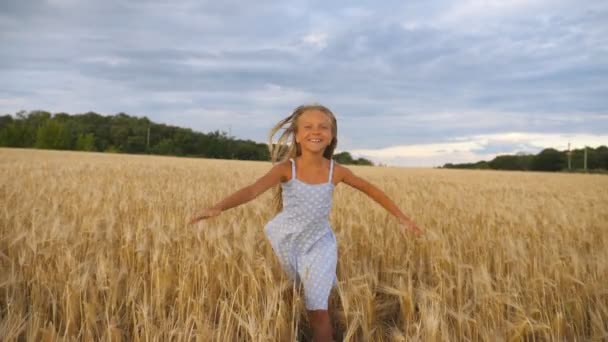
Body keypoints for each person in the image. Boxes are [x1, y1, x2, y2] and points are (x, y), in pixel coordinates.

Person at [190, 104, 421, 342]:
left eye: (323, 127)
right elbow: (251, 191)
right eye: (308, 126)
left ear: (331, 136)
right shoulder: (286, 169)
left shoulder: (336, 171)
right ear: (297, 136)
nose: (316, 131)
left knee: (317, 309)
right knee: (300, 295)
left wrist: (402, 218)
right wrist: (218, 207)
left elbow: (371, 190)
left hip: (319, 244)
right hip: (288, 242)